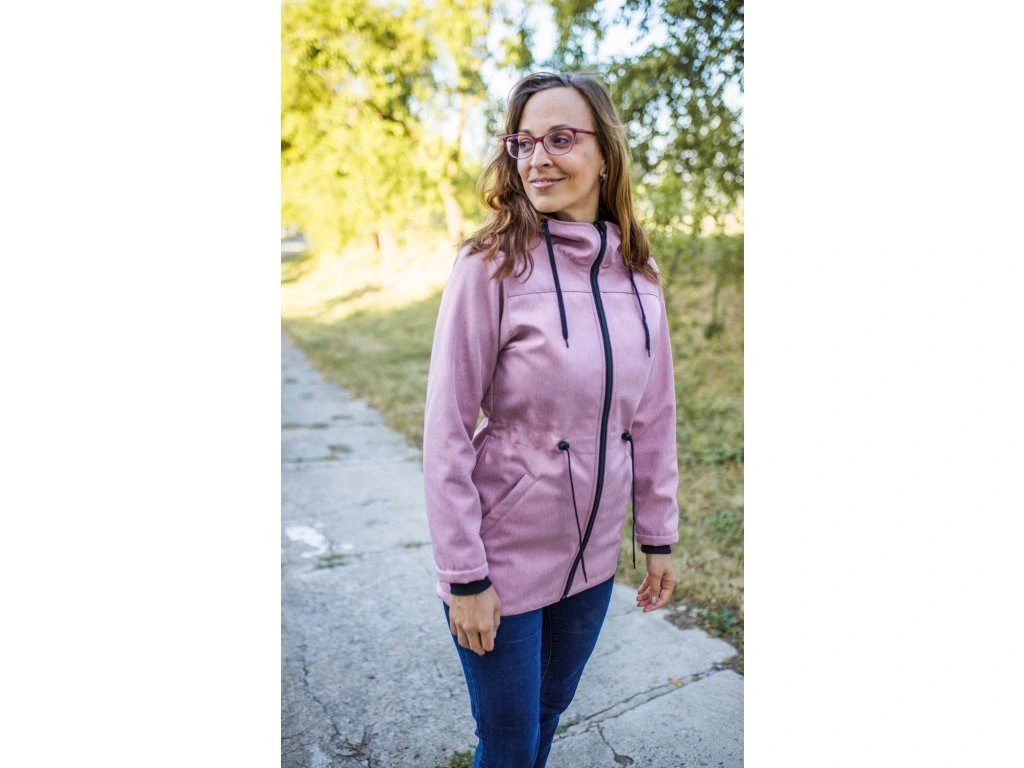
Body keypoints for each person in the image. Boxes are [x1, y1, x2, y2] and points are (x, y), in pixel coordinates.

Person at [423, 71, 680, 768]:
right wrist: (465, 577)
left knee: (547, 717)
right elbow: (446, 433)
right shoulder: (488, 265)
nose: (537, 159)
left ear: (606, 154)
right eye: (523, 142)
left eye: (560, 139)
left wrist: (656, 534)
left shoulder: (641, 274)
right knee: (508, 744)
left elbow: (653, 418)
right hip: (500, 560)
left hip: (593, 559)